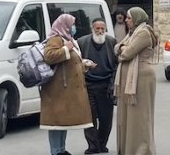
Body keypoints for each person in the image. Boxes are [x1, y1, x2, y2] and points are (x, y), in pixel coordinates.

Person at [40, 13, 93, 155]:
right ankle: (56, 151)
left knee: (62, 122)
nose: (74, 27)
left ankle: (61, 150)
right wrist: (65, 49)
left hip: (65, 90)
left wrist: (84, 64)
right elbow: (49, 56)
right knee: (55, 123)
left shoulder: (68, 39)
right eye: (72, 24)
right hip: (56, 90)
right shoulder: (56, 39)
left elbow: (72, 61)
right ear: (65, 25)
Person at [114, 7, 157, 155]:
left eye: (129, 18)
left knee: (140, 116)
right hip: (131, 79)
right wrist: (122, 49)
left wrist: (123, 49)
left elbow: (126, 53)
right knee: (128, 116)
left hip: (142, 78)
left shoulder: (143, 33)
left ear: (137, 19)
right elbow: (117, 48)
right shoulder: (132, 33)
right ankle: (129, 148)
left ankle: (142, 150)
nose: (126, 20)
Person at [79, 19, 119, 154]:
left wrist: (114, 84)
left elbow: (116, 65)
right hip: (88, 85)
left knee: (106, 118)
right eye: (97, 29)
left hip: (106, 85)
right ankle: (93, 145)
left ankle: (102, 143)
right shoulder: (82, 42)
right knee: (89, 118)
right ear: (92, 28)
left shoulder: (112, 42)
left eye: (103, 29)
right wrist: (84, 64)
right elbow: (76, 62)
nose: (100, 31)